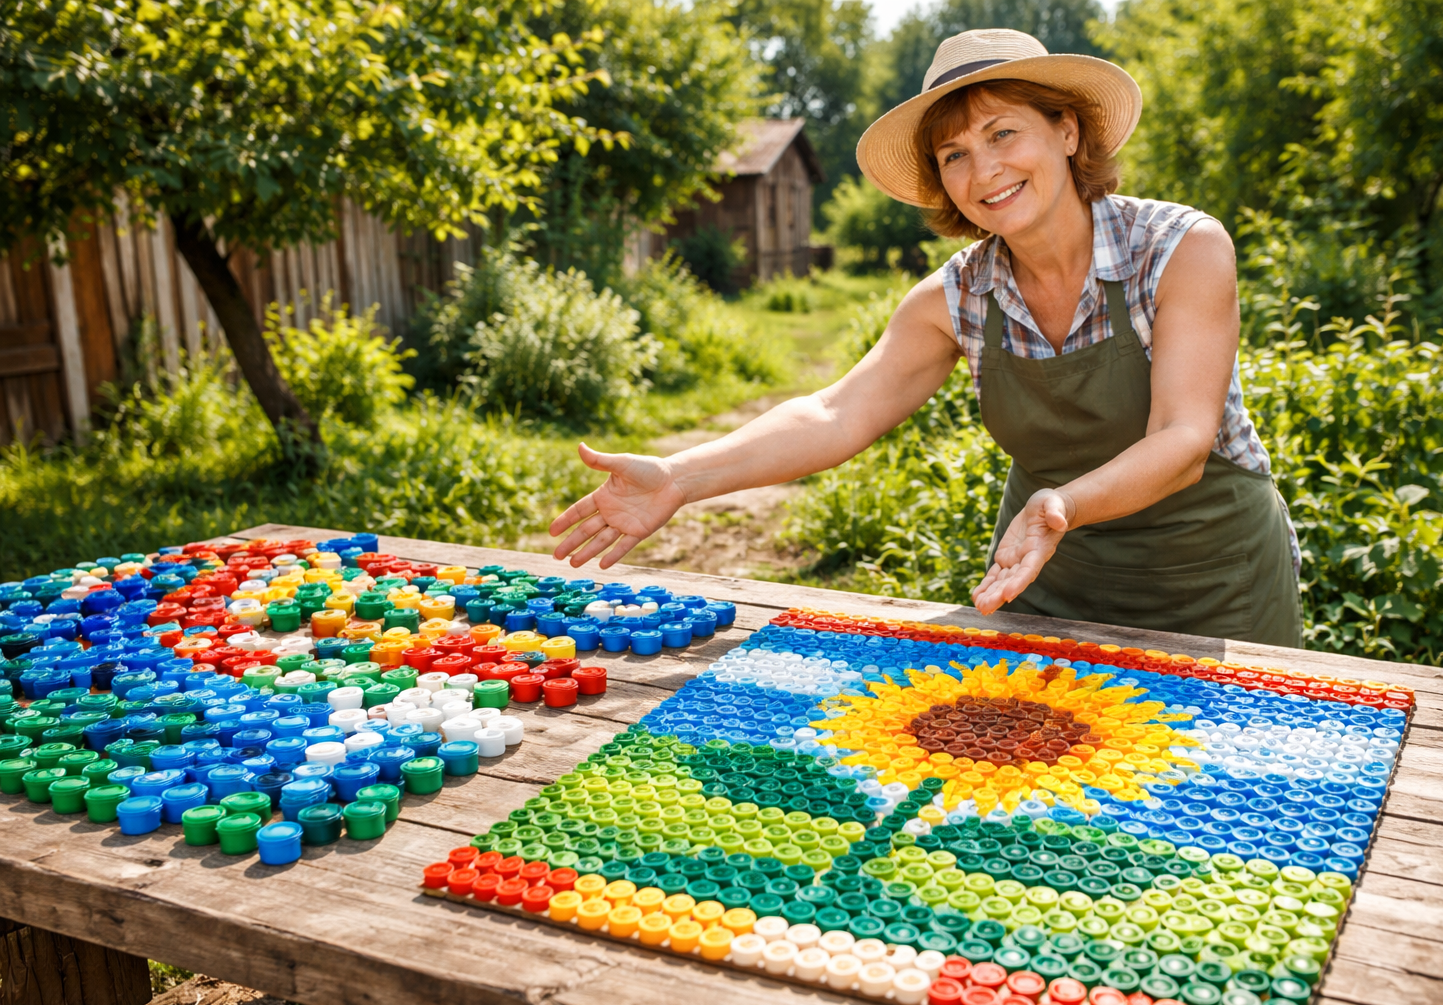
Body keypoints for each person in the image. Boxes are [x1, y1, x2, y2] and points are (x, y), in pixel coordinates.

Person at [549, 28, 1302, 646]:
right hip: (1047, 584)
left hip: (1214, 585)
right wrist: (682, 477)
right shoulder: (958, 294)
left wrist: (1059, 506)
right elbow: (834, 412)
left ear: (1068, 130)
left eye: (1005, 133)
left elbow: (1182, 438)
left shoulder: (1178, 249)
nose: (986, 170)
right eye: (954, 155)